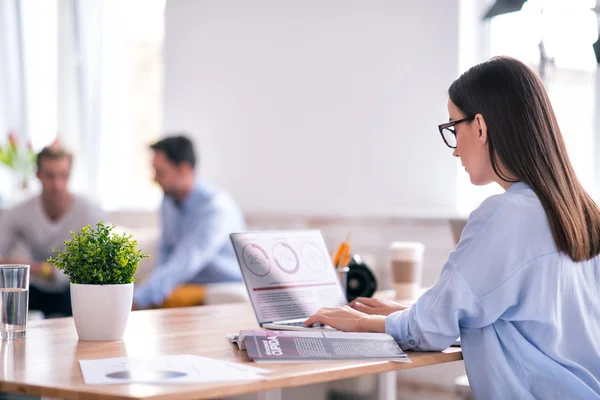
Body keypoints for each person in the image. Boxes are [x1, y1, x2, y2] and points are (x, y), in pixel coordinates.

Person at [305, 56, 600, 399]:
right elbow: (523, 324)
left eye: (452, 128)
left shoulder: (507, 215)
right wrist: (409, 313)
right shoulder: (582, 213)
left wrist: (361, 322)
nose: (455, 150)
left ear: (479, 126)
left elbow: (429, 329)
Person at [133, 135, 245, 309]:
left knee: (155, 297)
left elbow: (187, 259)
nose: (154, 179)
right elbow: (166, 252)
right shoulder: (167, 202)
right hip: (186, 282)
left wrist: (138, 298)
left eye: (160, 171)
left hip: (219, 283)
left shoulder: (215, 208)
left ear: (184, 169)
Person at [0, 145, 106, 317]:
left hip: (74, 291)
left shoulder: (90, 212)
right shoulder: (19, 212)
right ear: (38, 175)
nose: (57, 185)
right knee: (11, 308)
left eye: (63, 176)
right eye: (49, 176)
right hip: (35, 289)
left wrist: (38, 269)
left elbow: (89, 268)